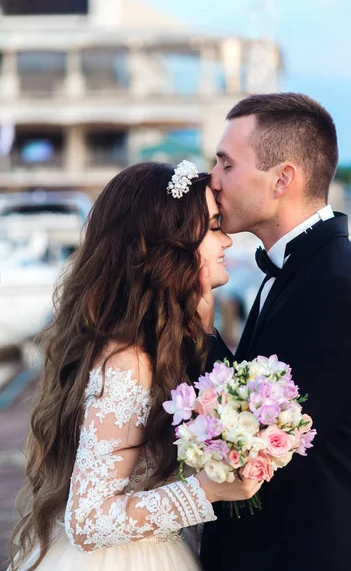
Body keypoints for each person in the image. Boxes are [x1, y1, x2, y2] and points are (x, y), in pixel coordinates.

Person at [8, 161, 263, 571]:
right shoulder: (129, 361)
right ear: (172, 243)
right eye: (214, 227)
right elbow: (87, 521)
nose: (228, 241)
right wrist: (206, 489)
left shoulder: (160, 343)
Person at [198, 93, 351, 571]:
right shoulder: (297, 273)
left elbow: (255, 447)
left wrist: (195, 321)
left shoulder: (338, 290)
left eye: (226, 163)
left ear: (283, 178)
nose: (213, 180)